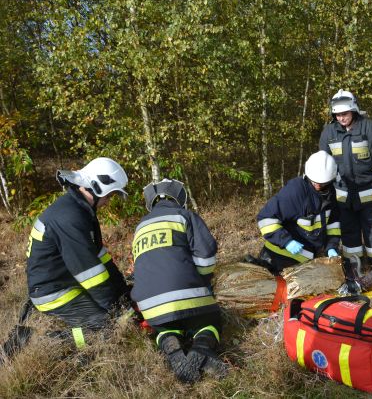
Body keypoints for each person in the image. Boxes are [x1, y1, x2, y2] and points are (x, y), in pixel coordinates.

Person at [26, 157, 129, 349]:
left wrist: (124, 293)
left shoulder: (80, 210)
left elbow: (100, 258)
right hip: (53, 291)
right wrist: (116, 309)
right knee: (106, 326)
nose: (108, 202)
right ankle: (39, 342)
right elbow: (90, 274)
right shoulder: (70, 218)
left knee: (115, 314)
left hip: (67, 281)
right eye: (109, 196)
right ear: (96, 188)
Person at [130, 178, 227, 383]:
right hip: (187, 294)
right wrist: (203, 280)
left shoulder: (140, 227)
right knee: (210, 321)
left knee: (163, 326)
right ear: (178, 198)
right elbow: (206, 256)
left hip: (149, 306)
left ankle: (171, 346)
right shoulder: (184, 215)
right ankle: (202, 350)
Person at [319, 89, 372, 285]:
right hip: (342, 195)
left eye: (345, 113)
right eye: (337, 115)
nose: (341, 118)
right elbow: (323, 161)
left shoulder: (369, 128)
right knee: (349, 231)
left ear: (353, 110)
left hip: (369, 193)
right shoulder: (329, 132)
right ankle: (354, 266)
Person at [255, 151, 341, 274]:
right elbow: (265, 219)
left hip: (304, 260)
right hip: (277, 256)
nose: (318, 185)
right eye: (315, 182)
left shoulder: (330, 193)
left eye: (323, 183)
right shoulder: (295, 191)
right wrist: (286, 241)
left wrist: (331, 247)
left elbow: (333, 224)